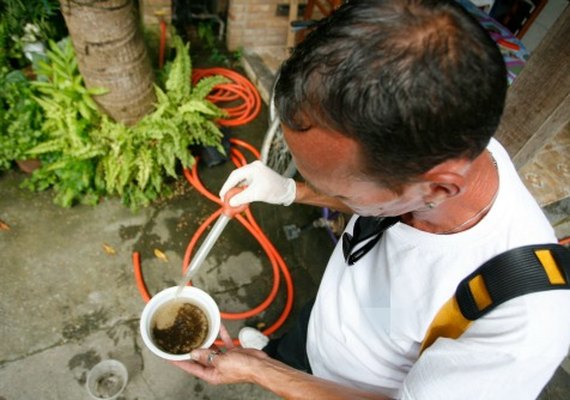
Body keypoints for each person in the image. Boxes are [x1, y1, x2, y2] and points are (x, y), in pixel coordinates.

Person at [173, 0, 570, 398]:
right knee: (297, 342)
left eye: (342, 191)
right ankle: (284, 354)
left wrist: (263, 374)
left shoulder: (520, 324)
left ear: (437, 188)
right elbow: (383, 204)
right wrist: (290, 190)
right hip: (336, 315)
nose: (330, 195)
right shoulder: (443, 144)